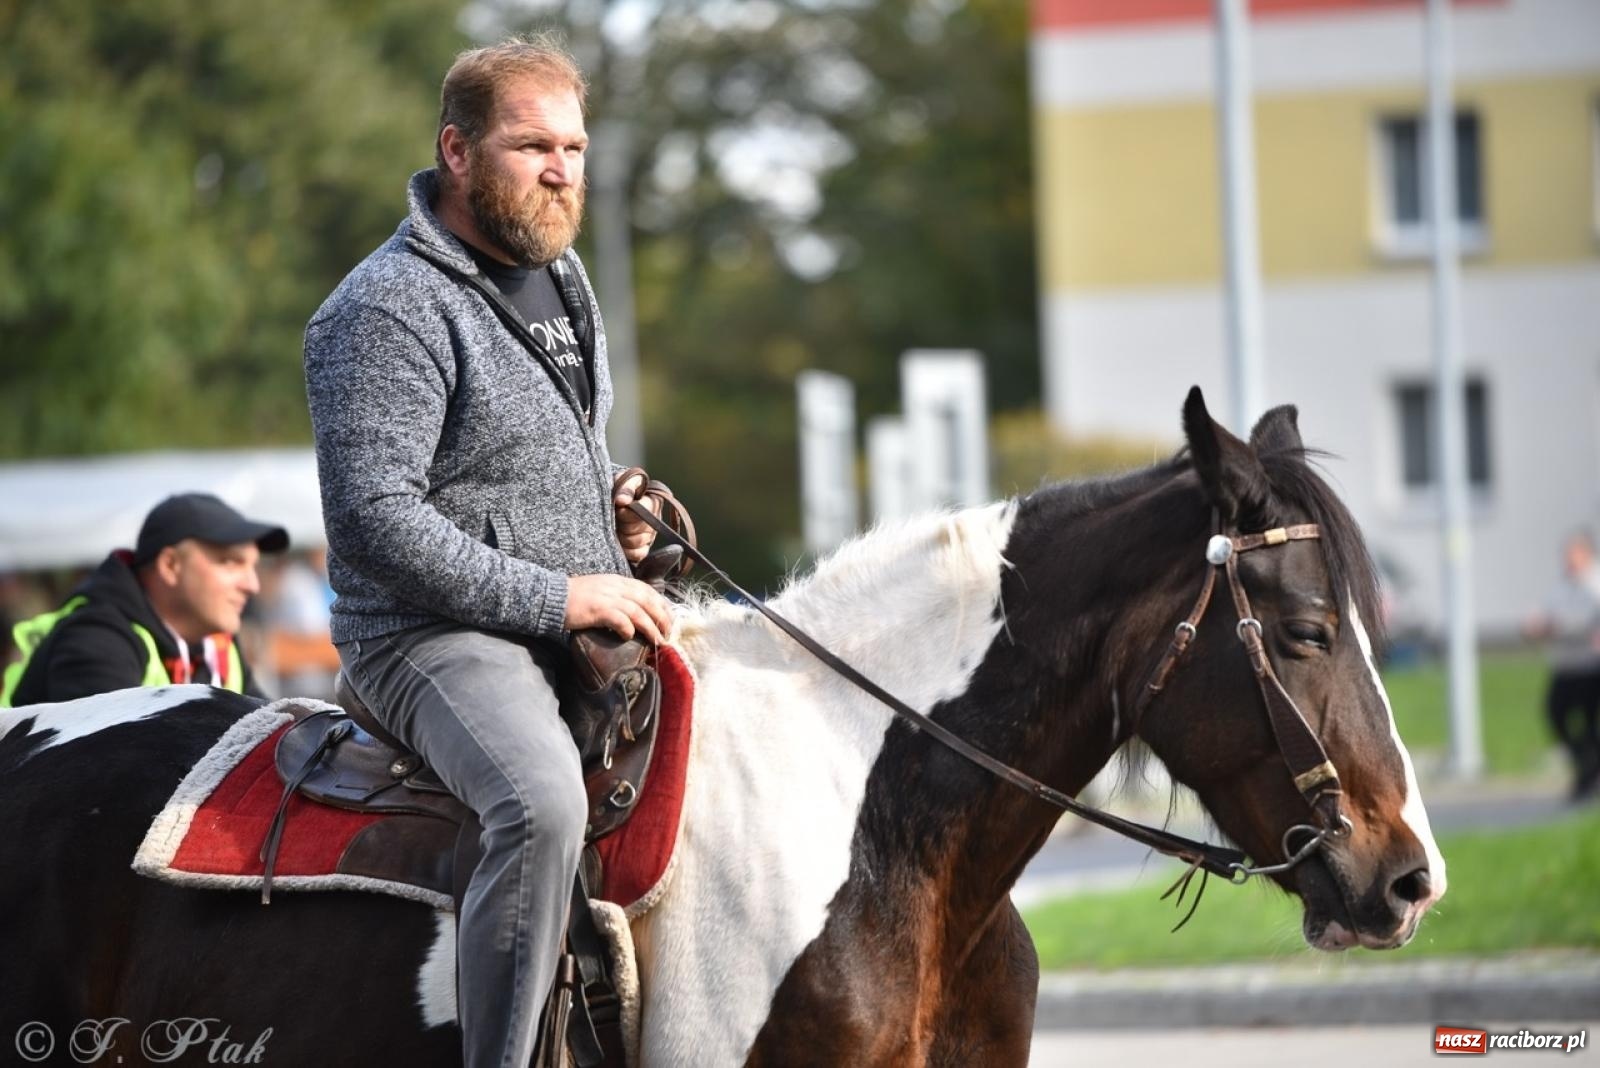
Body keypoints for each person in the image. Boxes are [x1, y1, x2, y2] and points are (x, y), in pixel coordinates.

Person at [302, 36, 672, 1068]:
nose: (562, 170)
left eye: (575, 146)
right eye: (531, 146)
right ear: (456, 152)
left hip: (564, 604)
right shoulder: (379, 309)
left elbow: (538, 458)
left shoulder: (562, 274)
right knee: (540, 802)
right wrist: (560, 594)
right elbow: (376, 520)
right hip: (428, 635)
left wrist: (618, 520)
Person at [2, 493, 288, 707]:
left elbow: (272, 734)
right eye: (230, 562)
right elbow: (117, 771)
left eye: (253, 566)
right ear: (170, 566)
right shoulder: (95, 640)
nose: (252, 585)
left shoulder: (219, 646)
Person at [1525, 529, 1600, 801]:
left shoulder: (1594, 583)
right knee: (1556, 714)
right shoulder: (1563, 586)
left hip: (1591, 666)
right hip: (1567, 665)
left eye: (1574, 554)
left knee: (1589, 721)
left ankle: (1589, 773)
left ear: (1587, 554)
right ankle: (1588, 765)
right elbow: (1547, 613)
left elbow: (1582, 621)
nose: (1568, 560)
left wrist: (1559, 626)